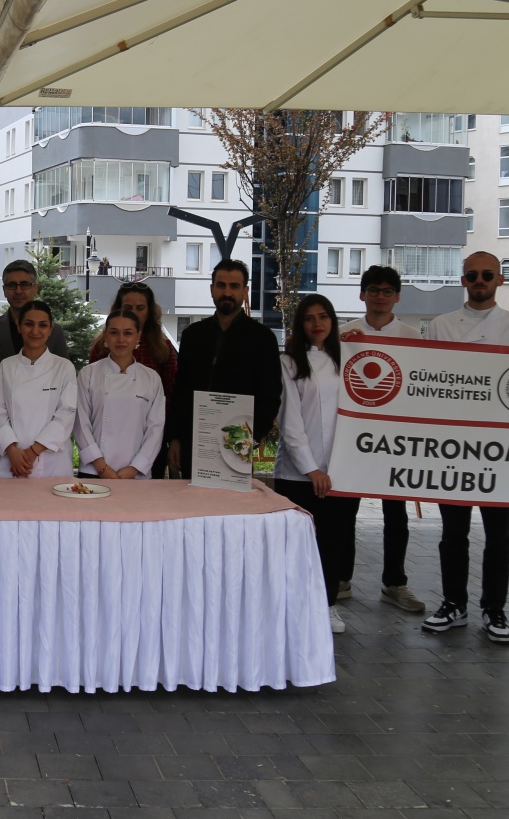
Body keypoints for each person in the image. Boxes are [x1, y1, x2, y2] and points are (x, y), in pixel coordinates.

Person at [422, 251, 509, 644]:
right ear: (463, 281)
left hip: (499, 449)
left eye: (487, 275)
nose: (479, 281)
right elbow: (429, 380)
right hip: (453, 447)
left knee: (499, 537)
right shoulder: (440, 326)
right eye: (472, 275)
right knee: (452, 534)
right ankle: (453, 603)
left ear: (500, 279)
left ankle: (495, 609)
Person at [337, 265, 424, 613]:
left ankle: (395, 582)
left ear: (397, 296)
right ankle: (340, 578)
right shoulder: (343, 334)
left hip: (395, 440)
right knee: (345, 512)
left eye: (388, 291)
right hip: (353, 437)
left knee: (396, 514)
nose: (380, 297)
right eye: (373, 290)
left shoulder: (413, 337)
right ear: (362, 294)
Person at [272, 293, 360, 634]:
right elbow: (291, 423)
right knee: (298, 543)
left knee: (334, 542)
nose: (317, 323)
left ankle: (327, 604)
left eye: (324, 316)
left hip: (340, 471)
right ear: (300, 324)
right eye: (309, 318)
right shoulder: (289, 363)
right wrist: (312, 470)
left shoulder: (347, 358)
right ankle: (294, 606)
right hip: (298, 475)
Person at [167, 259, 281, 479]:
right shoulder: (193, 335)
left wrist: (251, 437)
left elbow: (270, 396)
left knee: (233, 500)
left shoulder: (262, 339)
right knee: (192, 499)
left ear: (245, 292)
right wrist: (176, 437)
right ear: (212, 289)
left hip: (238, 444)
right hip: (194, 442)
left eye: (234, 286)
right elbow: (181, 391)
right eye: (221, 285)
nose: (227, 292)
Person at [0, 300, 78, 478]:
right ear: (19, 326)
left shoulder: (64, 367)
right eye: (29, 324)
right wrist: (13, 452)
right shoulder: (5, 367)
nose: (35, 331)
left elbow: (65, 417)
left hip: (52, 462)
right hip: (11, 461)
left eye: (42, 325)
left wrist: (33, 451)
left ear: (51, 329)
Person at [75, 309, 165, 481]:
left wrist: (134, 468)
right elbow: (80, 423)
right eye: (114, 333)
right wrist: (101, 467)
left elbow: (156, 429)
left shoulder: (151, 378)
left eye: (128, 333)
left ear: (138, 337)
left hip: (136, 474)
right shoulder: (89, 373)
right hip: (94, 471)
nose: (121, 339)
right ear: (105, 336)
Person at [86, 282, 178, 395]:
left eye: (140, 308)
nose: (134, 313)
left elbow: (170, 390)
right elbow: (90, 385)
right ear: (119, 309)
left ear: (149, 311)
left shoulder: (162, 346)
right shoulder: (102, 345)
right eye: (128, 308)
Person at [0, 259, 69, 365]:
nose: (18, 291)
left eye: (24, 284)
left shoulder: (55, 332)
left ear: (35, 289)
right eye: (12, 285)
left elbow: (63, 370)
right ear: (4, 290)